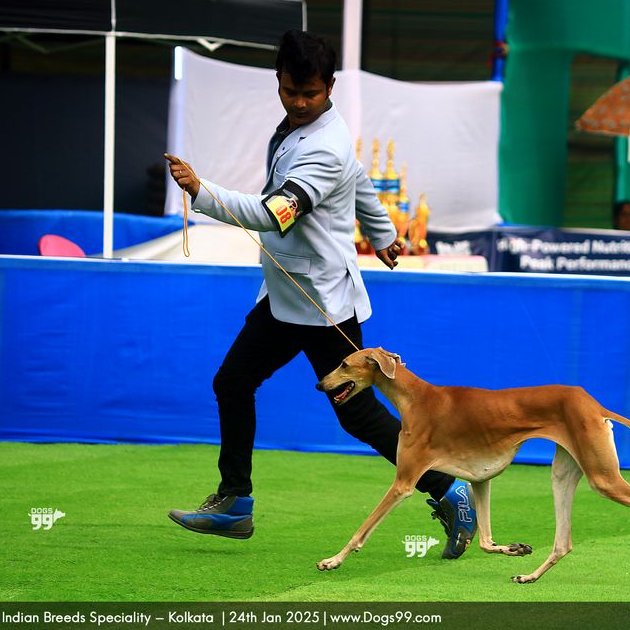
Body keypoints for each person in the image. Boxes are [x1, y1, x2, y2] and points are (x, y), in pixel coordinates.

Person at [164, 30, 476, 559]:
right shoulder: (302, 129)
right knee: (232, 381)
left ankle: (449, 489)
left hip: (323, 307)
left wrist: (201, 190)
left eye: (311, 93)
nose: (300, 102)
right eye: (291, 91)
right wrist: (383, 233)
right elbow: (361, 181)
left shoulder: (324, 147)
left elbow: (273, 214)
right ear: (278, 82)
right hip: (287, 296)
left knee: (358, 416)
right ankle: (235, 500)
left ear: (329, 86)